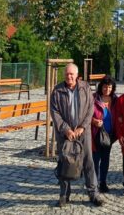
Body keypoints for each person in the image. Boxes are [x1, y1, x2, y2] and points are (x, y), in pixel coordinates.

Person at [50, 63, 103, 207]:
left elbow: (90, 109)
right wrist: (66, 129)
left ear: (77, 75)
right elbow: (55, 113)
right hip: (64, 135)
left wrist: (83, 127)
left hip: (83, 133)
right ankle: (64, 195)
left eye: (72, 74)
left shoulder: (85, 87)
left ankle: (94, 194)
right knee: (64, 163)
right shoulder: (57, 90)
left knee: (88, 163)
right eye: (67, 74)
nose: (69, 76)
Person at [91, 75, 117, 193]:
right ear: (101, 87)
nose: (107, 89)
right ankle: (94, 183)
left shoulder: (115, 100)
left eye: (110, 87)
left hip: (109, 135)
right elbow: (85, 115)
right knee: (95, 159)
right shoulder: (94, 98)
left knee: (105, 159)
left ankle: (103, 182)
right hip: (96, 134)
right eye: (105, 87)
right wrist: (94, 121)